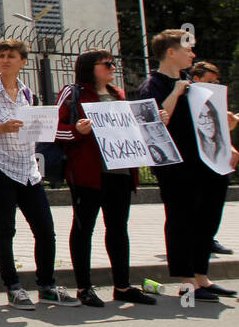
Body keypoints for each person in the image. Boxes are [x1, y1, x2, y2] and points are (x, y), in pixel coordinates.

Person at [0, 39, 78, 309]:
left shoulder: (28, 94)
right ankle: (13, 287)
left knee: (45, 230)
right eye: (2, 55)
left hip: (28, 169)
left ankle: (47, 285)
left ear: (23, 62)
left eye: (11, 56)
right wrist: (1, 128)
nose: (5, 60)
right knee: (5, 228)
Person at [138, 30, 237, 301]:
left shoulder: (192, 85)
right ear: (171, 52)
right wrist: (176, 92)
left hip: (206, 163)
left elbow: (206, 124)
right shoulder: (153, 85)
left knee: (207, 219)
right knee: (183, 219)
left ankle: (203, 277)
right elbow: (155, 125)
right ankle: (187, 282)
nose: (193, 55)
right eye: (187, 50)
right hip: (176, 167)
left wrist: (224, 124)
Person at [55, 50, 156, 307]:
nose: (112, 68)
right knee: (83, 229)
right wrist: (77, 131)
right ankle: (84, 287)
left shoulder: (118, 94)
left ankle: (122, 286)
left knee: (118, 229)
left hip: (120, 173)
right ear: (90, 68)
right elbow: (54, 130)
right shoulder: (73, 93)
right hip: (88, 174)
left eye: (113, 63)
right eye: (107, 64)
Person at [186, 60, 237, 257]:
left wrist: (230, 145)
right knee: (198, 203)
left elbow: (219, 130)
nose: (214, 86)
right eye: (210, 81)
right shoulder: (187, 99)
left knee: (215, 202)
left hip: (216, 157)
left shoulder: (216, 100)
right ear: (196, 79)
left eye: (216, 82)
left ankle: (209, 239)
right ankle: (195, 240)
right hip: (196, 160)